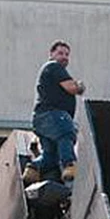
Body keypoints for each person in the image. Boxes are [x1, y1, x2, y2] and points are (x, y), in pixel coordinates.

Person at [22, 41, 86, 184]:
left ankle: (34, 168)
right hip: (53, 115)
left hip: (41, 119)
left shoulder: (50, 70)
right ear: (51, 54)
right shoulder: (54, 67)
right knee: (67, 134)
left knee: (51, 154)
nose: (64, 57)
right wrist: (80, 86)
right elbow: (71, 88)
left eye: (67, 54)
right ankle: (69, 165)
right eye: (60, 53)